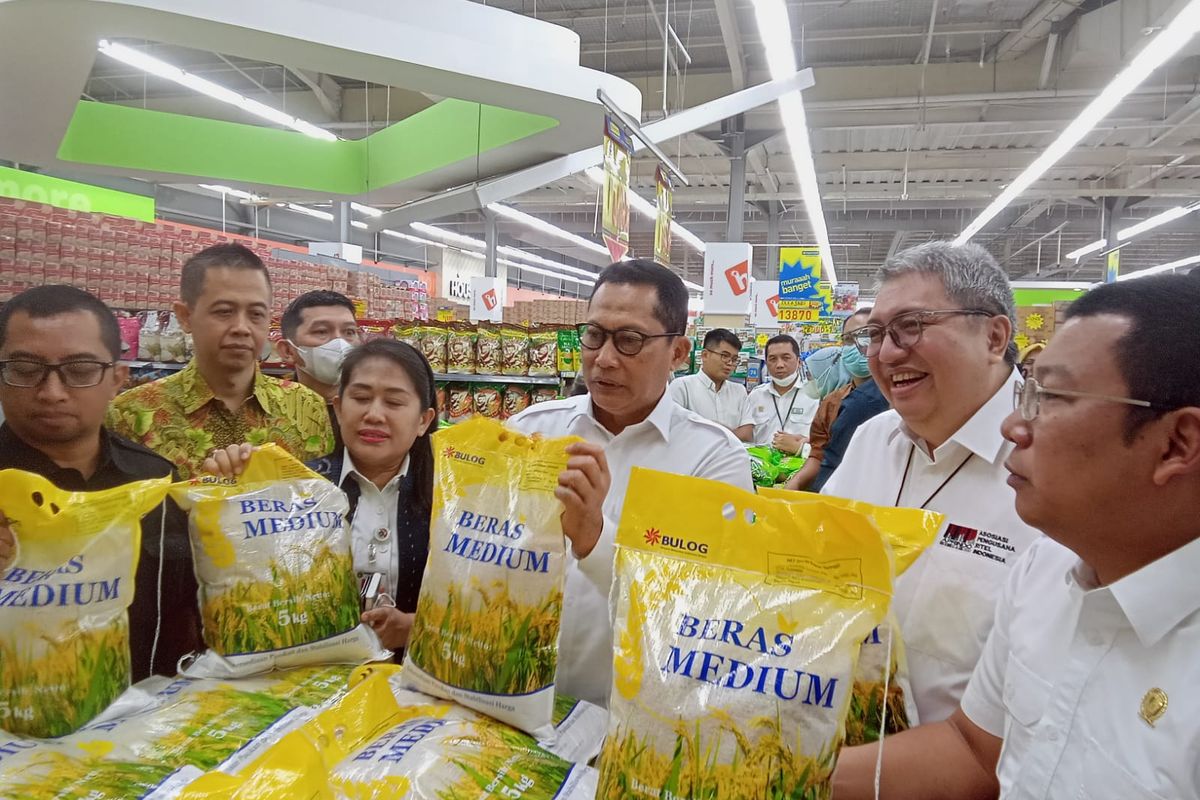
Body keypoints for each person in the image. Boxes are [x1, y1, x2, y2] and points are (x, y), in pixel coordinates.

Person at [834, 273, 1200, 799]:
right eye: (1030, 391)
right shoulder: (1046, 572)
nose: (1013, 426)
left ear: (1176, 444)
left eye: (1052, 396)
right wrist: (763, 774)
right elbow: (971, 748)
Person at [508, 259, 752, 707]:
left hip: (631, 727)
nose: (603, 358)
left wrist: (594, 538)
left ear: (678, 353)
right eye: (595, 335)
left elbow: (707, 609)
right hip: (511, 701)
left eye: (629, 341)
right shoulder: (530, 431)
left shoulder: (713, 458)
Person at [821, 241, 1041, 726]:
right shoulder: (872, 441)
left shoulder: (1050, 460)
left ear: (994, 336)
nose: (886, 352)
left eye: (911, 326)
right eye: (876, 333)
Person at [0, 285, 201, 680]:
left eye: (80, 371)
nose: (52, 392)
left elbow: (185, 605)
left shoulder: (156, 479)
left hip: (145, 718)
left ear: (118, 379)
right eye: (25, 369)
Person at [204, 338, 437, 654]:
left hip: (420, 688)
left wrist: (416, 628)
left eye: (394, 402)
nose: (374, 414)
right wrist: (230, 493)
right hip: (314, 683)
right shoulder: (298, 486)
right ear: (339, 409)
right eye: (361, 397)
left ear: (423, 420)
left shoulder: (450, 497)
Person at [107, 243, 335, 478]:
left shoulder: (308, 407)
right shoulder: (130, 414)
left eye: (256, 314)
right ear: (185, 317)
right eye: (224, 311)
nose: (242, 328)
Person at [785, 311, 862, 490]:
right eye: (848, 340)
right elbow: (821, 452)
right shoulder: (830, 403)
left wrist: (800, 447)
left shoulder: (884, 398)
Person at [276, 290, 362, 445]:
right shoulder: (269, 418)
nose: (340, 343)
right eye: (321, 331)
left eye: (349, 332)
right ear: (288, 351)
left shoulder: (371, 413)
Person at [736, 334, 819, 453]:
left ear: (799, 361)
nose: (779, 365)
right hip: (763, 467)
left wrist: (800, 448)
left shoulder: (814, 396)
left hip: (801, 467)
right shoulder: (755, 396)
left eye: (786, 358)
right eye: (773, 359)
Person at [668, 328, 747, 432]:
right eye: (724, 356)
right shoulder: (681, 386)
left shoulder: (739, 391)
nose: (730, 363)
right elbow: (673, 429)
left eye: (734, 359)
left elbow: (747, 433)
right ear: (705, 355)